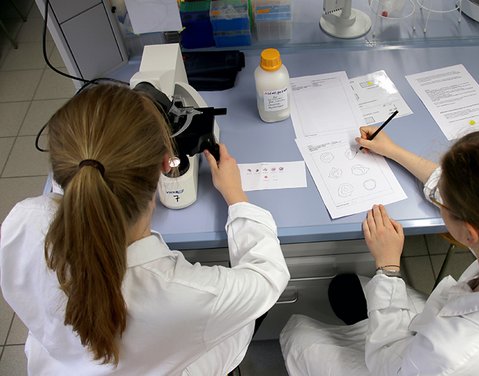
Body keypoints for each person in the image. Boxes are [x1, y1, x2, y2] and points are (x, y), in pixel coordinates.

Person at [0, 84, 290, 375]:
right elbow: (267, 277)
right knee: (241, 322)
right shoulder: (184, 294)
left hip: (56, 364)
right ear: (168, 162)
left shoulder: (21, 222)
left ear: (61, 169)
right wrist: (236, 197)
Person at [280, 129, 479, 375]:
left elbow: (387, 365)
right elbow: (465, 188)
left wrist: (388, 267)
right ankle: (368, 321)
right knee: (352, 290)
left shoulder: (454, 351)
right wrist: (393, 151)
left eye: (445, 201)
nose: (439, 200)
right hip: (444, 340)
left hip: (410, 367)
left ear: (471, 232)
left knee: (298, 338)